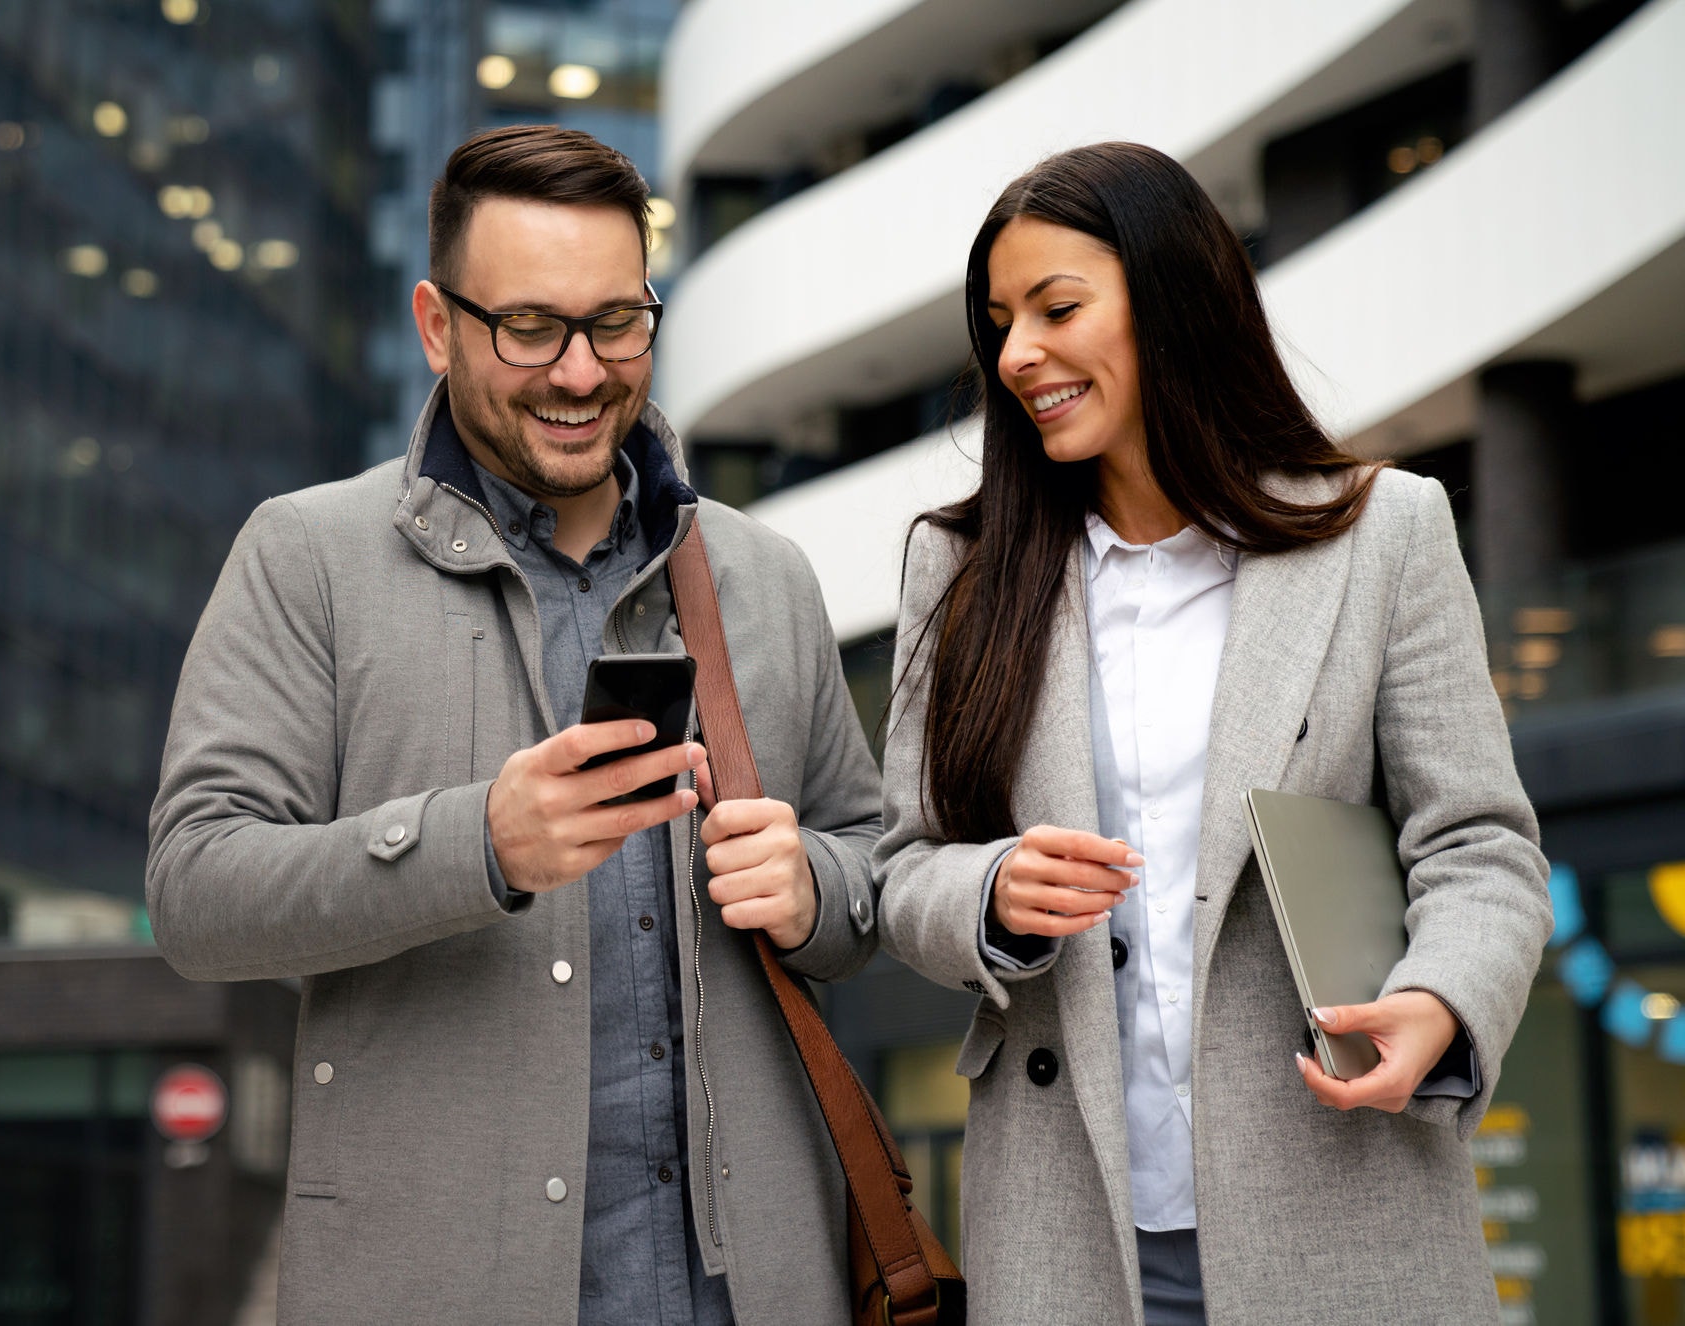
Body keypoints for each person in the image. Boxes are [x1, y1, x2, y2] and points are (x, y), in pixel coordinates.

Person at [147, 125, 884, 1325]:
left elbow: (869, 871)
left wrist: (812, 887)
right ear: (438, 326)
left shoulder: (763, 575)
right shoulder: (303, 557)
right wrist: (476, 844)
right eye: (530, 328)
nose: (581, 373)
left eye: (615, 323)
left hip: (752, 1292)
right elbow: (194, 891)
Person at [873, 142, 1551, 1325]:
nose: (1017, 353)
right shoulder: (960, 565)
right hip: (1060, 1223)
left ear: (1174, 301)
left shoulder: (1381, 534)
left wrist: (1439, 998)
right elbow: (901, 870)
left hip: (1334, 1193)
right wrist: (989, 892)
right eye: (998, 322)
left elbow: (1479, 846)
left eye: (1056, 307)